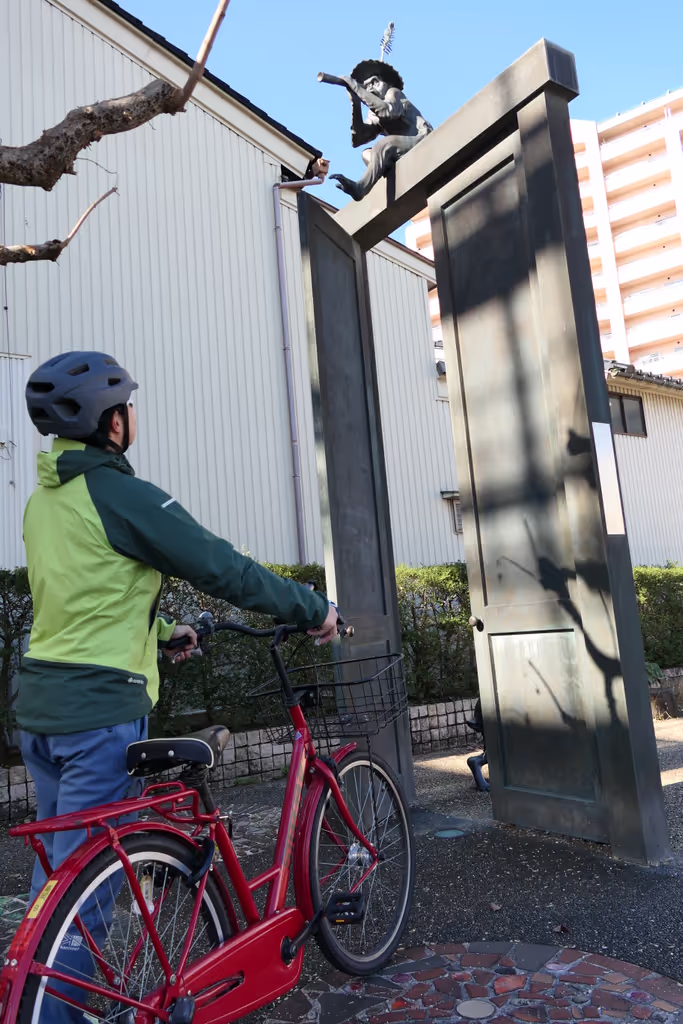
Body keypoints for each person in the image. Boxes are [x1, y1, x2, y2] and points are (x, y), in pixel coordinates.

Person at [18, 351, 338, 1017]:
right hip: (99, 715)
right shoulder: (123, 494)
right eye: (128, 405)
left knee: (55, 885)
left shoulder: (45, 502)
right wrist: (311, 609)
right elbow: (221, 566)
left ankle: (32, 994)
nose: (134, 416)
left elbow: (83, 595)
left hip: (41, 715)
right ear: (112, 423)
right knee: (89, 901)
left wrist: (163, 632)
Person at [320, 59, 432, 201]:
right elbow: (359, 139)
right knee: (367, 154)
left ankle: (361, 188)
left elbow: (388, 111)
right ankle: (389, 174)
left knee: (385, 144)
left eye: (375, 82)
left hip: (421, 139)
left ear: (387, 83)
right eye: (367, 86)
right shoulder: (374, 114)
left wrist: (356, 88)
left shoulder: (394, 93)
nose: (371, 88)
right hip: (399, 152)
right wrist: (355, 103)